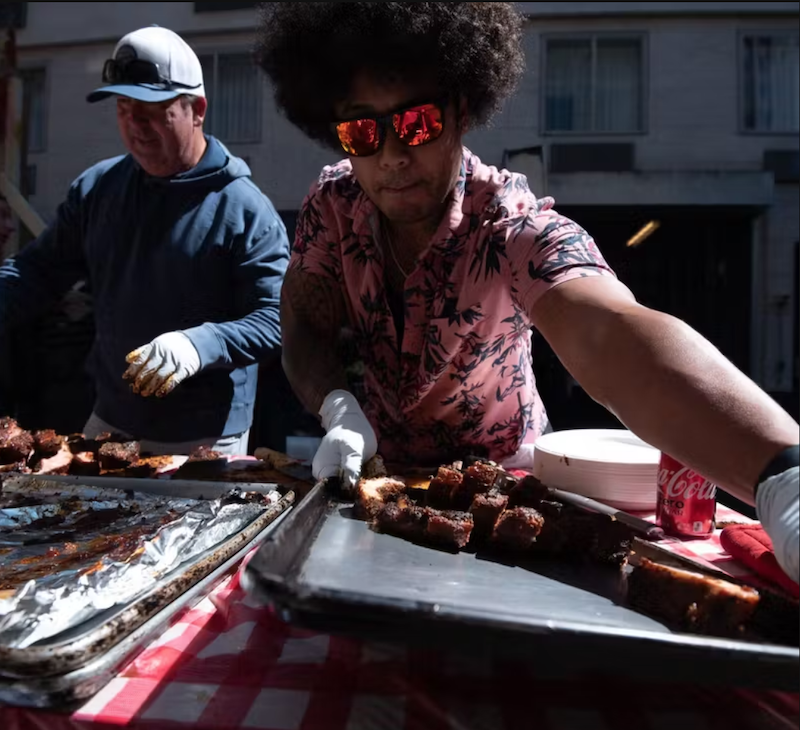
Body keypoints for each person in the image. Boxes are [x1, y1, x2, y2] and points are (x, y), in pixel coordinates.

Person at [254, 3, 798, 582]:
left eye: (417, 123)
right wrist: (337, 406)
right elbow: (305, 324)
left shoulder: (511, 224)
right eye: (362, 132)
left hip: (501, 501)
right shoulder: (331, 205)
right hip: (373, 488)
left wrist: (781, 472)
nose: (391, 155)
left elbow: (609, 332)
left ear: (461, 111)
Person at [0, 25, 289, 455]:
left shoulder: (245, 209)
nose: (134, 123)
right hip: (111, 420)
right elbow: (36, 272)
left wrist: (200, 343)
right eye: (123, 106)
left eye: (152, 108)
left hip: (208, 437)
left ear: (197, 109)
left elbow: (278, 320)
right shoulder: (99, 189)